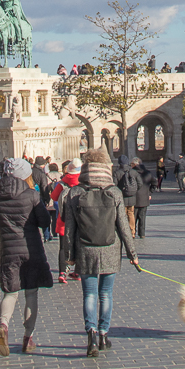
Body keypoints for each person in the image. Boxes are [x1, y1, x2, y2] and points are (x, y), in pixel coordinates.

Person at [61, 147, 139, 357]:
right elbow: (123, 226)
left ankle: (91, 335)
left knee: (89, 294)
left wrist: (68, 256)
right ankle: (104, 334)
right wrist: (133, 254)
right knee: (105, 294)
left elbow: (69, 230)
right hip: (110, 249)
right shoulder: (114, 192)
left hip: (85, 249)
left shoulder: (75, 193)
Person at [0, 157, 53, 356]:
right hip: (31, 249)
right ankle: (28, 337)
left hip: (8, 250)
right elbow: (44, 221)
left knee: (10, 292)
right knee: (31, 293)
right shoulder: (31, 195)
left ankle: (3, 326)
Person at [51, 160, 81, 283]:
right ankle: (78, 271)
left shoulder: (62, 183)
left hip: (64, 219)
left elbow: (53, 197)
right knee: (80, 245)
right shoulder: (84, 182)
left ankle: (63, 273)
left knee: (63, 247)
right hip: (80, 220)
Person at [130, 158, 152, 237]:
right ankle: (142, 234)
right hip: (144, 198)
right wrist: (149, 192)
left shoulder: (131, 173)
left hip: (134, 198)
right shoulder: (148, 173)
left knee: (133, 217)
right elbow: (155, 183)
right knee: (142, 218)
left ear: (135, 164)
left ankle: (133, 233)